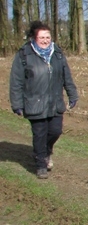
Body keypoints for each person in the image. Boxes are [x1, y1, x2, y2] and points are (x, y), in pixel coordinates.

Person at [9, 21, 79, 179]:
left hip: (55, 102)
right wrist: (17, 104)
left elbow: (66, 76)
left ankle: (45, 152)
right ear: (34, 37)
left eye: (48, 37)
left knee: (55, 131)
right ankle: (41, 164)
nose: (45, 40)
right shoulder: (24, 54)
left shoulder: (58, 53)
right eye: (42, 37)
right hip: (34, 103)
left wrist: (72, 94)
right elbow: (16, 81)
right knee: (39, 134)